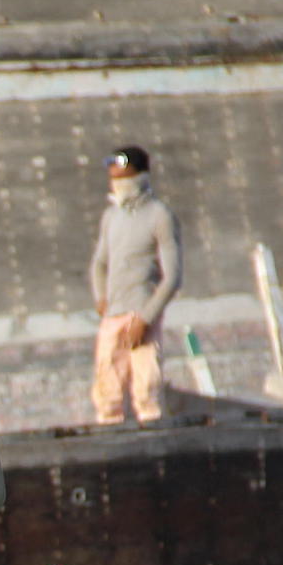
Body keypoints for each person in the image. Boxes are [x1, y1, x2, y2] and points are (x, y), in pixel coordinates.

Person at [90, 145, 183, 426]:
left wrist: (146, 318)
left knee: (146, 388)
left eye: (122, 173)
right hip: (113, 315)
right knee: (107, 386)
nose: (115, 181)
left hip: (141, 313)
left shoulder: (159, 215)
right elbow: (99, 264)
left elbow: (173, 276)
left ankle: (153, 437)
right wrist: (101, 298)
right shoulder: (111, 217)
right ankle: (109, 436)